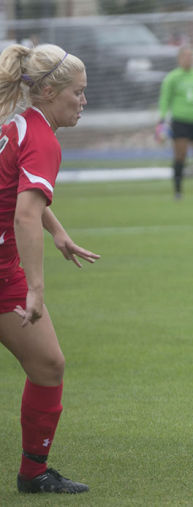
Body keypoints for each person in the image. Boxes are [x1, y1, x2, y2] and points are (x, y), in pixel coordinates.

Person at [0, 43, 99, 493]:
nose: (83, 101)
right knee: (49, 367)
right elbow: (23, 213)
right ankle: (33, 473)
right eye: (77, 93)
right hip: (6, 272)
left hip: (4, 270)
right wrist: (36, 291)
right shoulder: (42, 139)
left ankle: (33, 474)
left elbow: (21, 195)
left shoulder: (19, 126)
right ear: (51, 91)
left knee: (48, 365)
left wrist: (57, 231)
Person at [156, 44, 193, 200]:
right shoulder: (172, 77)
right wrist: (162, 120)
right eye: (185, 56)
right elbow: (165, 99)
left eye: (191, 56)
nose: (189, 59)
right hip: (180, 121)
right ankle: (178, 192)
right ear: (179, 58)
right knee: (180, 156)